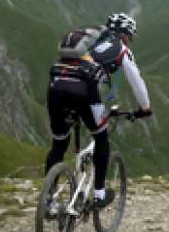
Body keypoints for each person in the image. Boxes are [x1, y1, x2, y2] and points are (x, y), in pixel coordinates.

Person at [44, 12, 152, 210]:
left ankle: (48, 200)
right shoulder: (121, 48)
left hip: (56, 84)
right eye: (131, 36)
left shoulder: (90, 39)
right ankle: (99, 195)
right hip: (85, 91)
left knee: (58, 145)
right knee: (101, 139)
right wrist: (145, 108)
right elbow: (137, 82)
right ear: (126, 35)